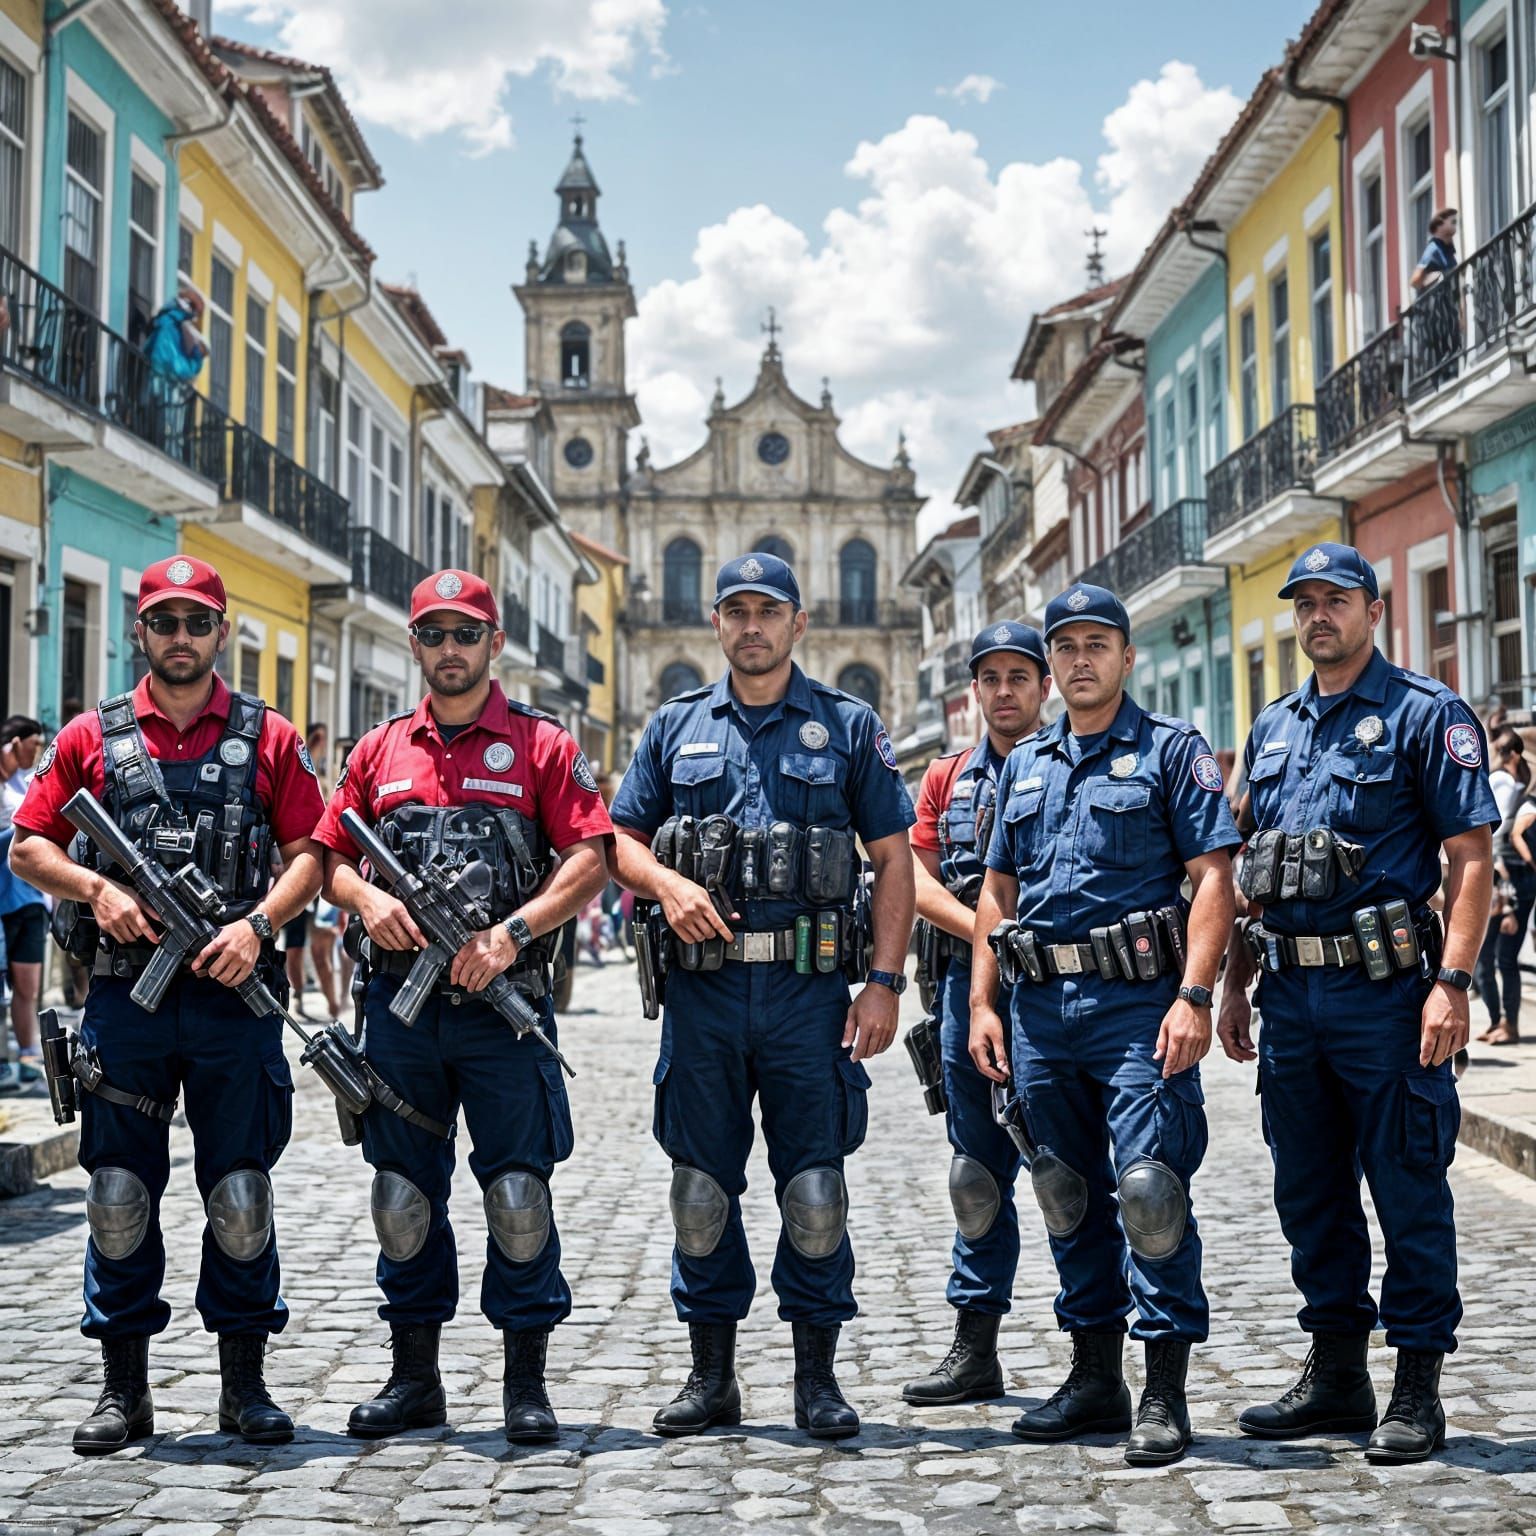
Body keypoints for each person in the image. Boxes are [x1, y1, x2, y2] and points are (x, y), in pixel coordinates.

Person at [10, 555, 326, 1454]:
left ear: (220, 633)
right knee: (116, 1193)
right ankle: (124, 1393)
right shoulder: (91, 738)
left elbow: (311, 851)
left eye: (196, 622)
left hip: (235, 998)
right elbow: (28, 846)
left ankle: (244, 1388)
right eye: (163, 622)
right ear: (138, 632)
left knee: (240, 1195)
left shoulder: (268, 736)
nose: (180, 638)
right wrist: (94, 891)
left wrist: (259, 927)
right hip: (126, 999)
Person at [610, 552, 916, 1440]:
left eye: (768, 611)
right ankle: (712, 1378)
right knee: (700, 1191)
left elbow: (894, 858)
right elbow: (618, 838)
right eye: (736, 610)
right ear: (716, 623)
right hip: (704, 994)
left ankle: (816, 1380)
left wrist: (885, 982)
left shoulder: (846, 726)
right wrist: (666, 885)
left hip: (807, 990)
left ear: (797, 623)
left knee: (814, 1192)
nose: (752, 625)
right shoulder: (675, 727)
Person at [314, 569, 611, 1444]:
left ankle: (526, 1383)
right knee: (402, 1197)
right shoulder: (377, 750)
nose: (451, 649)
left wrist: (511, 934)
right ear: (417, 645)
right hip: (401, 1017)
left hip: (502, 1008)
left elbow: (589, 856)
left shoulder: (540, 745)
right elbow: (329, 854)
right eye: (435, 635)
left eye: (466, 634)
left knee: (519, 1196)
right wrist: (367, 903)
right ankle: (416, 1381)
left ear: (495, 645)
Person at [1220, 542, 1495, 1465]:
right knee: (1309, 1189)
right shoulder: (1274, 729)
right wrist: (1233, 982)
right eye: (1305, 603)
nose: (1317, 616)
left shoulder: (1425, 715)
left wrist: (1453, 985)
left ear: (1373, 610)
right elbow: (1252, 867)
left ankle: (1417, 1384)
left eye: (1336, 599)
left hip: (1388, 998)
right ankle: (1337, 1370)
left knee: (1408, 1185)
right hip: (1291, 993)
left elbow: (1469, 862)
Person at [969, 582, 1238, 1467]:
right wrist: (982, 1002)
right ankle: (1094, 1379)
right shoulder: (1025, 765)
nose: (1081, 659)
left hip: (1136, 1009)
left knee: (1150, 1193)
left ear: (1128, 657)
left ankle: (1163, 1392)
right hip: (1042, 1011)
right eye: (1067, 647)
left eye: (1098, 644)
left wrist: (1195, 996)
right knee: (1065, 1194)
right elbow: (996, 895)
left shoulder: (1171, 753)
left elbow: (1213, 880)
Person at [901, 622, 1051, 1407]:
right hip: (965, 990)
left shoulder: (1069, 763)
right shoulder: (945, 777)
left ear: (1042, 687)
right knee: (975, 1174)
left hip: (1057, 995)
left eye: (1017, 677)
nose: (1003, 691)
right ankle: (975, 1346)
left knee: (1071, 1172)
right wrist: (989, 937)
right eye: (989, 678)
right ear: (973, 692)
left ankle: (1095, 1352)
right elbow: (917, 882)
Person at [0, 716, 48, 1091]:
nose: (38, 751)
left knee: (28, 985)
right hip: (5, 898)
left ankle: (28, 1053)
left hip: (31, 899)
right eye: (34, 743)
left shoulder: (32, 782)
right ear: (15, 743)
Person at [1476, 726, 1532, 1047]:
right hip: (1503, 875)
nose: (1496, 758)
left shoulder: (1506, 782)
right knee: (1489, 958)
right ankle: (1499, 1021)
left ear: (1512, 754)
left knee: (1502, 956)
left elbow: (1491, 833)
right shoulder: (1517, 784)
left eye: (1500, 751)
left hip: (1507, 877)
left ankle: (1507, 1024)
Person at [1409, 208, 1458, 292]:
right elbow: (1414, 281)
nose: (1455, 224)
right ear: (1439, 224)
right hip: (1438, 302)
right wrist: (1436, 277)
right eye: (1452, 221)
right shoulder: (1433, 250)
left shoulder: (1449, 252)